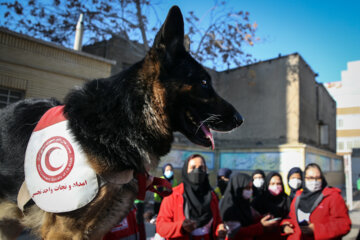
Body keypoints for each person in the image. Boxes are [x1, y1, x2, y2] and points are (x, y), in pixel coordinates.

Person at [156, 154, 227, 240]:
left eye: (201, 168)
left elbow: (218, 222)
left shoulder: (212, 196)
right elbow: (161, 227)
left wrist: (220, 229)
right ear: (186, 170)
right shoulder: (173, 195)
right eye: (193, 168)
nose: (197, 171)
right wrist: (181, 227)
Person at [282, 163, 351, 240]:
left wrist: (317, 229)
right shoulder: (298, 197)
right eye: (310, 178)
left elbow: (344, 224)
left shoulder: (333, 196)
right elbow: (291, 218)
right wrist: (285, 225)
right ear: (304, 179)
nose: (314, 181)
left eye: (318, 178)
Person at [219, 173, 281, 240]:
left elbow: (251, 219)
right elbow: (236, 232)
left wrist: (264, 218)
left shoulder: (245, 204)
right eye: (247, 188)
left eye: (251, 188)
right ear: (238, 188)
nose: (250, 191)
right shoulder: (228, 207)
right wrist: (261, 226)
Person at [251, 172, 290, 239]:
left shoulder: (287, 199)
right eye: (272, 184)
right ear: (267, 184)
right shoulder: (259, 200)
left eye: (278, 184)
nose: (276, 186)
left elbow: (291, 216)